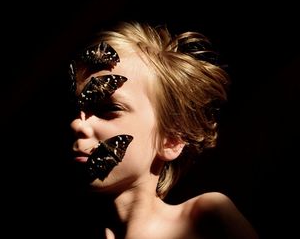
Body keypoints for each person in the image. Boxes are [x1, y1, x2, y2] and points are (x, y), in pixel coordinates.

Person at [66, 20, 259, 239]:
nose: (77, 124)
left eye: (110, 109)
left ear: (171, 139)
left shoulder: (204, 219)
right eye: (74, 111)